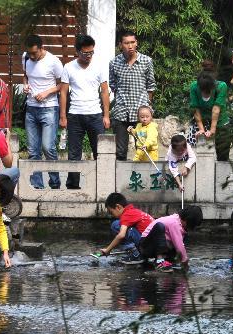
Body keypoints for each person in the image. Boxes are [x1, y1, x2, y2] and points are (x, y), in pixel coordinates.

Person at [59, 35, 111, 189]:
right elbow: (63, 93)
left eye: (91, 53)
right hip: (75, 114)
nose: (88, 56)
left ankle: (101, 185)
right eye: (85, 53)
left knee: (99, 151)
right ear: (78, 52)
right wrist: (63, 116)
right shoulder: (68, 67)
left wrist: (106, 115)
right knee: (74, 153)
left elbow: (104, 92)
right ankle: (73, 185)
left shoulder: (99, 66)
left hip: (95, 114)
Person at [22, 34, 63, 189]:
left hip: (49, 108)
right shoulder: (25, 57)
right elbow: (25, 76)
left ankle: (55, 182)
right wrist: (25, 85)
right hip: (31, 108)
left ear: (41, 48)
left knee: (48, 147)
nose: (32, 56)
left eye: (35, 53)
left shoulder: (53, 61)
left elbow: (63, 84)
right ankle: (37, 185)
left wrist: (47, 92)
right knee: (33, 150)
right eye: (29, 53)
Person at [109, 30, 156, 161]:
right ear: (120, 45)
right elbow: (113, 85)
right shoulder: (114, 63)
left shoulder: (147, 61)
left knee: (143, 150)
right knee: (120, 152)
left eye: (132, 42)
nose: (130, 46)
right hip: (121, 112)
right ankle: (119, 181)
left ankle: (142, 180)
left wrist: (147, 106)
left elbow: (151, 86)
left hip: (141, 114)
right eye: (126, 43)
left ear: (136, 43)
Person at [139, 206, 203, 272]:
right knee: (159, 226)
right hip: (146, 247)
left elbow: (180, 243)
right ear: (187, 220)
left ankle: (168, 259)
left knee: (184, 236)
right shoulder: (174, 223)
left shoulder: (181, 225)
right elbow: (178, 244)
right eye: (191, 225)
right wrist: (184, 260)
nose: (190, 228)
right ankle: (159, 261)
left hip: (158, 246)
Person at [99, 192, 154, 264]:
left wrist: (108, 250)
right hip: (155, 246)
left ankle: (136, 255)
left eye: (111, 212)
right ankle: (140, 253)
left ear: (118, 207)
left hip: (149, 246)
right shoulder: (133, 211)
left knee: (115, 225)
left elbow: (121, 235)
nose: (112, 215)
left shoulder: (126, 215)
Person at [187, 69, 230, 160]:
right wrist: (201, 129)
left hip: (220, 121)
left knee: (222, 153)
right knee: (202, 153)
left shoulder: (221, 86)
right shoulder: (194, 87)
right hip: (203, 121)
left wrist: (212, 129)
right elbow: (195, 108)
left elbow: (216, 109)